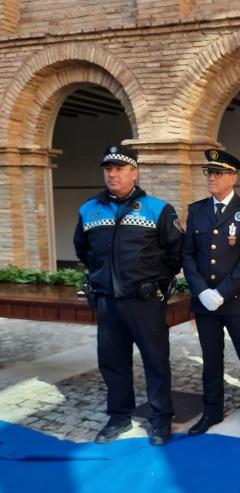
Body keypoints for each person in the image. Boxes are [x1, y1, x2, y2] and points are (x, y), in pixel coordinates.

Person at [73, 144, 183, 446]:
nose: (113, 174)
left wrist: (157, 283)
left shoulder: (157, 208)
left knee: (156, 361)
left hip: (145, 301)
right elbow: (83, 249)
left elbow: (176, 252)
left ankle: (161, 419)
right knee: (112, 361)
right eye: (108, 169)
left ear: (134, 172)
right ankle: (119, 416)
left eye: (119, 168)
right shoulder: (89, 209)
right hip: (108, 300)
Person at [182, 149, 240, 439]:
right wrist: (202, 291)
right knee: (211, 358)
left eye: (218, 173)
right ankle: (212, 410)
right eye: (209, 172)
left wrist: (222, 291)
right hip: (205, 302)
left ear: (233, 176)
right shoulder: (196, 211)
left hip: (237, 301)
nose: (212, 178)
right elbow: (188, 255)